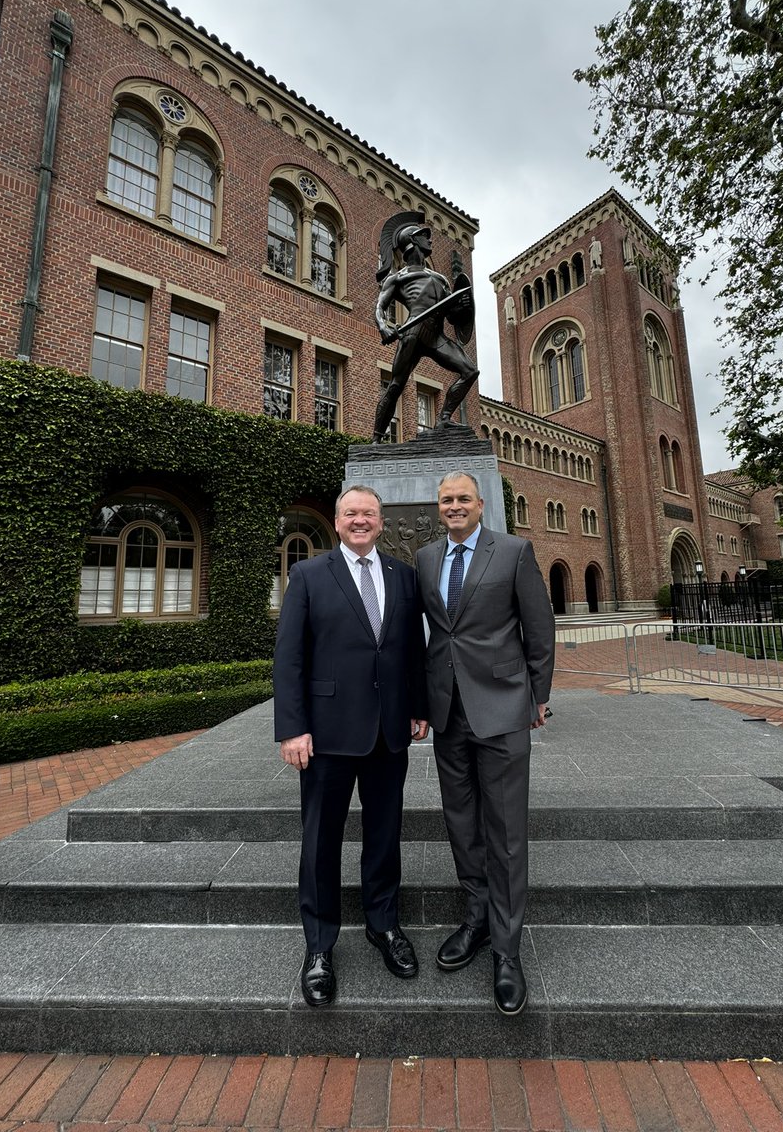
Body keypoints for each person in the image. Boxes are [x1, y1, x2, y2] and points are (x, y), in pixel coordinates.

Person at [273, 485, 429, 1007]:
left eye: (368, 514)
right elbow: (289, 659)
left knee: (385, 836)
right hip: (327, 735)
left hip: (389, 733)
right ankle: (319, 946)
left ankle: (384, 927)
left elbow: (411, 651)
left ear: (381, 523)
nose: (360, 521)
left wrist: (418, 706)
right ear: (337, 523)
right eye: (350, 513)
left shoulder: (402, 576)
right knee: (320, 842)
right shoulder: (310, 576)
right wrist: (292, 728)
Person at [415, 471, 555, 1015]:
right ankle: (474, 920)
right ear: (440, 507)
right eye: (446, 500)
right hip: (448, 713)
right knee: (462, 823)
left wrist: (537, 697)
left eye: (462, 499)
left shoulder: (514, 552)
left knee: (506, 831)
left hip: (502, 708)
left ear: (480, 505)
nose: (454, 507)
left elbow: (538, 630)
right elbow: (432, 634)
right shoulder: (426, 559)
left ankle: (506, 949)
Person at [371, 219, 478, 442]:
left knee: (470, 371)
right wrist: (383, 327)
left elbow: (452, 315)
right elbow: (380, 306)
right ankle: (376, 439)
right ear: (412, 241)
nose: (430, 239)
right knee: (396, 386)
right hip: (413, 333)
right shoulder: (397, 277)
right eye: (424, 235)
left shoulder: (441, 279)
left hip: (437, 336)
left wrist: (463, 307)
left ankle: (444, 419)